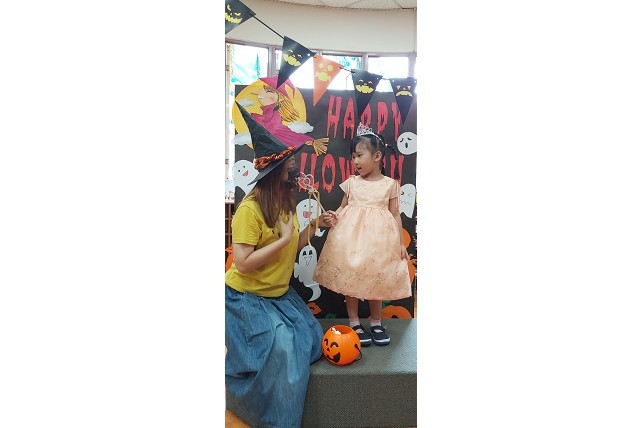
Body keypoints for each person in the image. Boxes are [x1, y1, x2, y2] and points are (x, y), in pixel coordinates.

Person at [225, 103, 332, 428]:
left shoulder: (284, 201)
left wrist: (314, 226)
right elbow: (243, 264)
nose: (296, 172)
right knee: (283, 348)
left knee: (310, 339)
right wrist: (284, 239)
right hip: (246, 296)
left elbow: (291, 246)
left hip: (278, 295)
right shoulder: (249, 210)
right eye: (291, 167)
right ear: (276, 172)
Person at [313, 124, 412, 346]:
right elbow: (343, 206)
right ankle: (354, 322)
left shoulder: (390, 185)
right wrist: (335, 216)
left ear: (377, 156)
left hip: (379, 242)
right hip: (351, 239)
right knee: (351, 277)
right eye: (353, 157)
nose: (355, 161)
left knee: (376, 279)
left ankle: (376, 322)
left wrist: (399, 243)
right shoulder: (352, 183)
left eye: (359, 155)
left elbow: (395, 214)